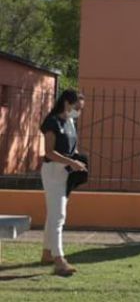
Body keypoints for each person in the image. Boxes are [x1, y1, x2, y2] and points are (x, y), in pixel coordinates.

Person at [39, 89, 87, 276]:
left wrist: (77, 163)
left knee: (53, 214)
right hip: (53, 172)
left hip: (65, 173)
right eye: (77, 106)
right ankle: (59, 259)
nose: (79, 111)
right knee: (58, 215)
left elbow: (71, 148)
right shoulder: (52, 122)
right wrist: (71, 162)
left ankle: (46, 253)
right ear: (67, 102)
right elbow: (49, 152)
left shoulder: (70, 122)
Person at [65, 92, 89, 196]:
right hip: (63, 157)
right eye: (77, 108)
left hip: (70, 154)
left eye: (81, 109)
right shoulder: (62, 119)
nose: (78, 111)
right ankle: (65, 191)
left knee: (83, 165)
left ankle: (66, 191)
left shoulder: (71, 120)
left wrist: (75, 151)